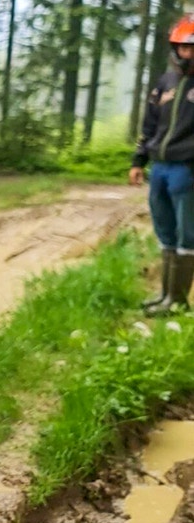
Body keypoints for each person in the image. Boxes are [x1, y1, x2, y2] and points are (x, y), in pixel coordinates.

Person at [130, 14, 194, 316]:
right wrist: (138, 160)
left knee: (187, 234)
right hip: (160, 169)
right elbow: (150, 124)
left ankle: (179, 300)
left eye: (192, 48)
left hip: (187, 169)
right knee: (165, 231)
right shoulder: (165, 81)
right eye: (183, 48)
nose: (187, 54)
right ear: (175, 48)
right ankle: (166, 296)